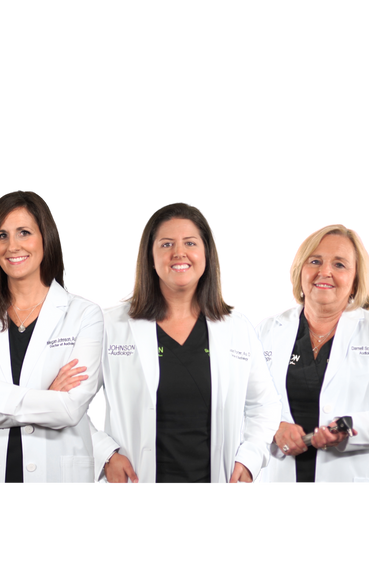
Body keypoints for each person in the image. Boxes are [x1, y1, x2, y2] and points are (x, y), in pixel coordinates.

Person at [94, 202, 277, 486]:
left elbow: (264, 404)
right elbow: (69, 405)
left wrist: (251, 458)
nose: (179, 253)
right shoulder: (111, 324)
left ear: (206, 254)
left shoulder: (237, 327)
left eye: (190, 243)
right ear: (150, 258)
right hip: (137, 479)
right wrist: (106, 455)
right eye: (166, 244)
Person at [0, 191, 104, 485]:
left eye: (24, 233)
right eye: (1, 235)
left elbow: (69, 410)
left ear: (46, 238)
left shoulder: (85, 314)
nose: (12, 246)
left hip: (56, 472)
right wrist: (46, 399)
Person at [243, 222, 369, 485]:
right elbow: (245, 404)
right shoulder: (267, 329)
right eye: (315, 261)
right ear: (300, 271)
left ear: (355, 281)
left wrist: (348, 428)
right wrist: (275, 429)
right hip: (284, 474)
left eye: (339, 264)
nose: (325, 272)